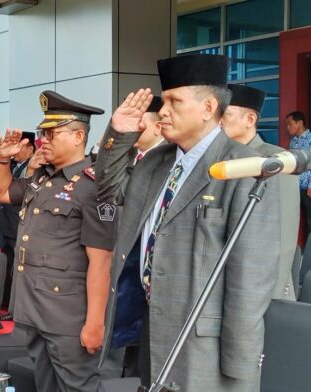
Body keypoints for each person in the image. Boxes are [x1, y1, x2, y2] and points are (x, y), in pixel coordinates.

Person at [96, 54, 282, 391]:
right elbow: (110, 191)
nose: (162, 111)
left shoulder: (245, 168)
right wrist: (118, 135)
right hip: (151, 322)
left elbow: (249, 281)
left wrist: (239, 369)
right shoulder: (156, 162)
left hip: (203, 340)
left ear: (209, 107)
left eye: (173, 101)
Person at [0, 91, 115, 392]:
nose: (43, 139)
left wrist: (95, 323)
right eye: (42, 132)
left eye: (51, 133)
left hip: (67, 318)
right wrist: (1, 158)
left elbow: (101, 261)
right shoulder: (42, 177)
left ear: (78, 136)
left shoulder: (94, 186)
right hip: (34, 309)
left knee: (78, 386)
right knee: (45, 385)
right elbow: (1, 192)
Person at [222, 84, 299, 300]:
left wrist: (273, 292)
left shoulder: (275, 160)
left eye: (226, 114)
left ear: (250, 120)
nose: (219, 121)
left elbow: (286, 232)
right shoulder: (221, 158)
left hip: (265, 289)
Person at [0, 131, 35, 315]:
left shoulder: (32, 167)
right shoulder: (17, 166)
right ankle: (9, 305)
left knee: (17, 270)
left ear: (31, 148)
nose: (17, 151)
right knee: (8, 269)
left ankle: (16, 308)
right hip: (7, 227)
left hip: (18, 227)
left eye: (22, 146)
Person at [287, 111, 311, 234]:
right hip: (295, 187)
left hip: (308, 188)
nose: (288, 127)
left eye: (290, 124)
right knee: (293, 219)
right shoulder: (293, 141)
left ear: (300, 123)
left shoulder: (310, 138)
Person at [132, 96, 165, 165]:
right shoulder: (124, 154)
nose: (129, 129)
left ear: (158, 128)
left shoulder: (170, 157)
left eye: (137, 123)